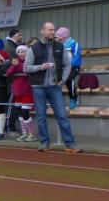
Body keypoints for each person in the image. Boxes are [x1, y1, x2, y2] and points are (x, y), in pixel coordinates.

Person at [24, 22, 81, 153]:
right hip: (38, 87)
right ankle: (44, 143)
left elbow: (67, 65)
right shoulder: (33, 48)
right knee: (41, 116)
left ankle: (70, 144)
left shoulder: (60, 46)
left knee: (62, 115)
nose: (52, 32)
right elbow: (26, 67)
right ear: (42, 31)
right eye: (49, 30)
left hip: (55, 86)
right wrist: (40, 67)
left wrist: (63, 80)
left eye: (53, 30)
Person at [6, 45, 37, 143]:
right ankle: (25, 133)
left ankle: (32, 134)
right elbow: (8, 72)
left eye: (22, 51)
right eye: (18, 52)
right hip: (17, 92)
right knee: (20, 114)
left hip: (27, 92)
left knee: (25, 113)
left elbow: (26, 69)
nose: (20, 54)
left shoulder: (30, 61)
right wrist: (14, 65)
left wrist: (18, 64)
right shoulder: (16, 62)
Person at [55, 27, 82, 109]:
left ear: (64, 37)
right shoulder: (58, 45)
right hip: (63, 67)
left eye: (59, 37)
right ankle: (56, 101)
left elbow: (76, 57)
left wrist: (68, 66)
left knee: (68, 79)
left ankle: (73, 98)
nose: (57, 38)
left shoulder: (74, 44)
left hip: (74, 66)